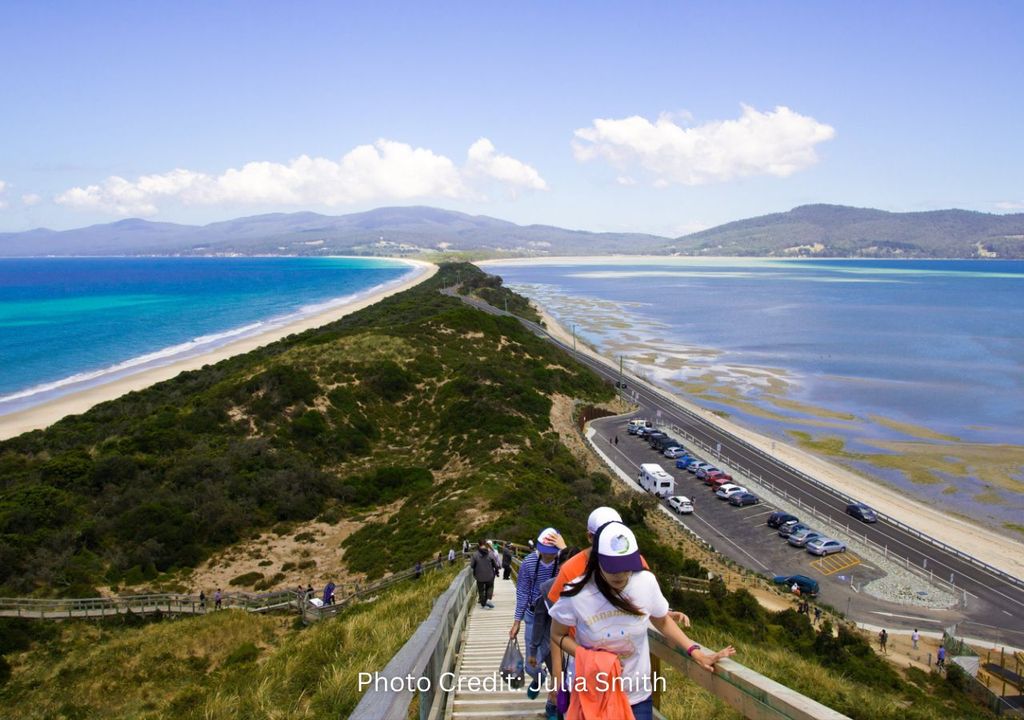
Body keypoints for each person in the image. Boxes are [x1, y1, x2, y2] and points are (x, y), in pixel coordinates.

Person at [550, 522, 735, 720]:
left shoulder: (645, 582)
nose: (621, 574)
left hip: (636, 697)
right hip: (593, 695)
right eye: (613, 568)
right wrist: (591, 658)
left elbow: (661, 620)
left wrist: (695, 652)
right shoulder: (577, 592)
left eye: (626, 566)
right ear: (597, 559)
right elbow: (557, 634)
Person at [510, 529, 562, 700]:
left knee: (554, 662)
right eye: (544, 552)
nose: (547, 556)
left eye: (551, 553)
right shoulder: (529, 562)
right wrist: (517, 621)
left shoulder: (563, 562)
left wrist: (563, 550)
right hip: (533, 615)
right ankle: (538, 677)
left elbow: (578, 574)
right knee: (531, 664)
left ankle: (553, 702)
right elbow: (523, 592)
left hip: (555, 617)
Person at [471, 541, 498, 608]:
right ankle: (488, 599)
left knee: (481, 590)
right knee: (490, 587)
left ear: (479, 546)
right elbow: (495, 565)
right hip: (490, 575)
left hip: (479, 576)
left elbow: (472, 565)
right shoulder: (490, 553)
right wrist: (497, 572)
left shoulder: (475, 554)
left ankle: (483, 603)